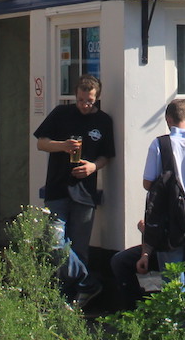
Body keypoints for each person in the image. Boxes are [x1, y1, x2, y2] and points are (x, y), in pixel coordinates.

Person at [111, 99, 185, 306]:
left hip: (169, 230)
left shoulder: (159, 145)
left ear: (168, 120)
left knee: (174, 289)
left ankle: (177, 330)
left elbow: (148, 183)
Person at [33, 73, 114, 308]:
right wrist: (62, 146)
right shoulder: (61, 113)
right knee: (55, 243)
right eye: (80, 100)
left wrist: (92, 167)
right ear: (75, 96)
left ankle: (73, 298)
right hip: (58, 188)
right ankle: (88, 282)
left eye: (89, 101)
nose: (84, 106)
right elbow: (41, 142)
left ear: (96, 98)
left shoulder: (103, 121)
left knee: (79, 248)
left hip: (85, 192)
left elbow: (106, 155)